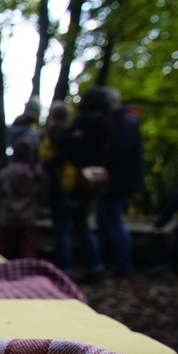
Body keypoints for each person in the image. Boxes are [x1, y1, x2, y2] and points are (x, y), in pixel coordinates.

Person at [43, 94, 109, 282]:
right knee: (82, 228)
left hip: (65, 188)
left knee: (63, 229)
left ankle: (65, 270)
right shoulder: (88, 131)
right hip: (83, 187)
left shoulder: (60, 135)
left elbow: (51, 162)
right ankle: (94, 267)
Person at [95, 86, 146, 276]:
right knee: (105, 220)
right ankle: (112, 261)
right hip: (113, 179)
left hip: (118, 181)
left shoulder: (126, 121)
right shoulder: (122, 120)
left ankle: (122, 263)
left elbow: (122, 149)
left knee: (113, 221)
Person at [0, 137, 44, 260]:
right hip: (28, 216)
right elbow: (39, 191)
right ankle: (28, 274)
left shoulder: (7, 173)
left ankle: (1, 271)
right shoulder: (35, 173)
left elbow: (1, 190)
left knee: (4, 248)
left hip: (9, 215)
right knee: (27, 248)